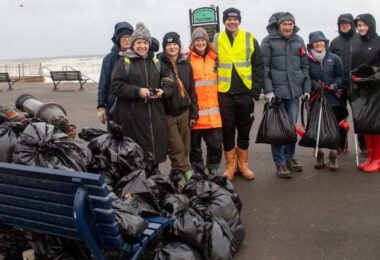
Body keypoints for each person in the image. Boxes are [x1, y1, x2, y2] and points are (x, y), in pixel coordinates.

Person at [213, 7, 264, 181]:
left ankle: (243, 165)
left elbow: (258, 66)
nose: (232, 22)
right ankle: (230, 167)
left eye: (235, 19)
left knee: (244, 130)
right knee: (227, 131)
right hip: (224, 94)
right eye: (229, 19)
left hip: (245, 94)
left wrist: (255, 92)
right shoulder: (217, 38)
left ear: (239, 21)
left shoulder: (250, 38)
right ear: (224, 21)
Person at [111, 22, 169, 169]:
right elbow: (116, 86)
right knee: (137, 158)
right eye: (138, 43)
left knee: (153, 156)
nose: (142, 46)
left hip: (155, 116)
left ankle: (153, 182)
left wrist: (163, 91)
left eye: (145, 42)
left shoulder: (156, 62)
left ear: (149, 44)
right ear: (133, 45)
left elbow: (169, 80)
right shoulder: (125, 61)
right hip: (133, 118)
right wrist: (138, 91)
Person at [261, 12, 311, 179]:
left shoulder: (299, 40)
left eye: (291, 24)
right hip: (277, 94)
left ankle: (289, 157)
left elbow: (305, 68)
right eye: (285, 24)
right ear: (279, 25)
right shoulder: (268, 41)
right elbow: (264, 69)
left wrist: (306, 89)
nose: (288, 28)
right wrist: (268, 91)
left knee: (290, 128)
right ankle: (280, 162)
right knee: (279, 130)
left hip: (295, 92)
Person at [158, 32, 198, 181]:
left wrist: (194, 113)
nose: (172, 47)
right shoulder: (159, 64)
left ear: (179, 46)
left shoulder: (186, 64)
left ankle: (177, 177)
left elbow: (192, 91)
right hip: (168, 114)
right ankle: (188, 174)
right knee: (176, 148)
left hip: (185, 112)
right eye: (168, 45)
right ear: (164, 47)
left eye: (175, 44)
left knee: (185, 147)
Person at [188, 28, 223, 176]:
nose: (200, 42)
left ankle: (213, 168)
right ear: (193, 43)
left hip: (213, 113)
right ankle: (198, 171)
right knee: (194, 147)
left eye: (202, 40)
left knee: (215, 145)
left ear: (206, 41)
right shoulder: (187, 60)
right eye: (197, 40)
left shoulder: (215, 58)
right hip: (195, 113)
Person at [307, 31, 344, 171]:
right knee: (317, 128)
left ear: (325, 43)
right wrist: (313, 84)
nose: (318, 43)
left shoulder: (334, 59)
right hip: (315, 99)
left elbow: (340, 76)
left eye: (321, 41)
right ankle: (319, 155)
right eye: (315, 41)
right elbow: (304, 76)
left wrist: (335, 85)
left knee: (334, 128)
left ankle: (333, 155)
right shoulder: (307, 59)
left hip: (332, 98)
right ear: (311, 44)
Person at [351, 14, 380, 173]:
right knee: (366, 124)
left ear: (371, 25)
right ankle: (370, 156)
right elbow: (354, 63)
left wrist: (371, 77)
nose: (361, 28)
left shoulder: (378, 41)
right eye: (359, 25)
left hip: (376, 89)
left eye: (364, 25)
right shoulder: (356, 42)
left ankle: (378, 158)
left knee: (376, 125)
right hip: (361, 88)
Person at [330, 13, 358, 153]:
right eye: (342, 24)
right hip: (340, 85)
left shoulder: (359, 39)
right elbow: (330, 63)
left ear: (352, 24)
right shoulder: (335, 42)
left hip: (357, 85)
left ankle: (364, 146)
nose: (344, 25)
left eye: (347, 23)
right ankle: (342, 143)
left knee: (359, 115)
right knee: (340, 116)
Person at [97, 21, 134, 128]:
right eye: (123, 37)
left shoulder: (137, 57)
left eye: (129, 36)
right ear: (118, 39)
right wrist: (101, 106)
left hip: (135, 108)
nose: (127, 39)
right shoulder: (109, 59)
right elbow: (103, 84)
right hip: (114, 108)